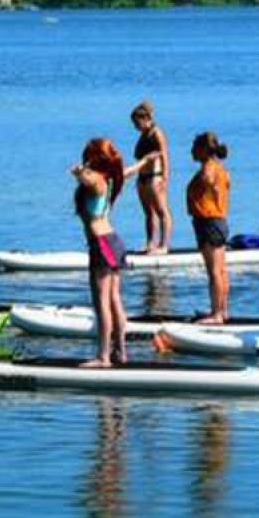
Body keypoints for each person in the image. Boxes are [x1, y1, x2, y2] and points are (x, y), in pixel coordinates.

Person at [73, 138, 129, 367]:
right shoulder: (111, 178)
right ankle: (120, 352)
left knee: (102, 303)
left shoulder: (96, 181)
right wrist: (144, 163)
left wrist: (79, 172)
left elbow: (87, 179)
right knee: (114, 299)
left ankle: (103, 356)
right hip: (113, 241)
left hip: (102, 244)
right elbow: (127, 172)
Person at [185, 131, 232, 323]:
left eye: (195, 147)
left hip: (209, 222)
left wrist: (211, 187)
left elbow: (210, 183)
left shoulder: (208, 169)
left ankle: (217, 314)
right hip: (218, 221)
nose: (191, 151)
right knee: (220, 270)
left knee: (214, 271)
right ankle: (223, 310)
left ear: (204, 149)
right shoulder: (220, 168)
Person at [122, 101, 171, 254]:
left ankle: (164, 245)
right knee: (148, 213)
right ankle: (150, 243)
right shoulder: (143, 134)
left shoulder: (156, 132)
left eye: (137, 123)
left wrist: (165, 177)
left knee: (162, 211)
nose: (135, 127)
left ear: (144, 119)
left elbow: (164, 155)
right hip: (142, 178)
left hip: (154, 177)